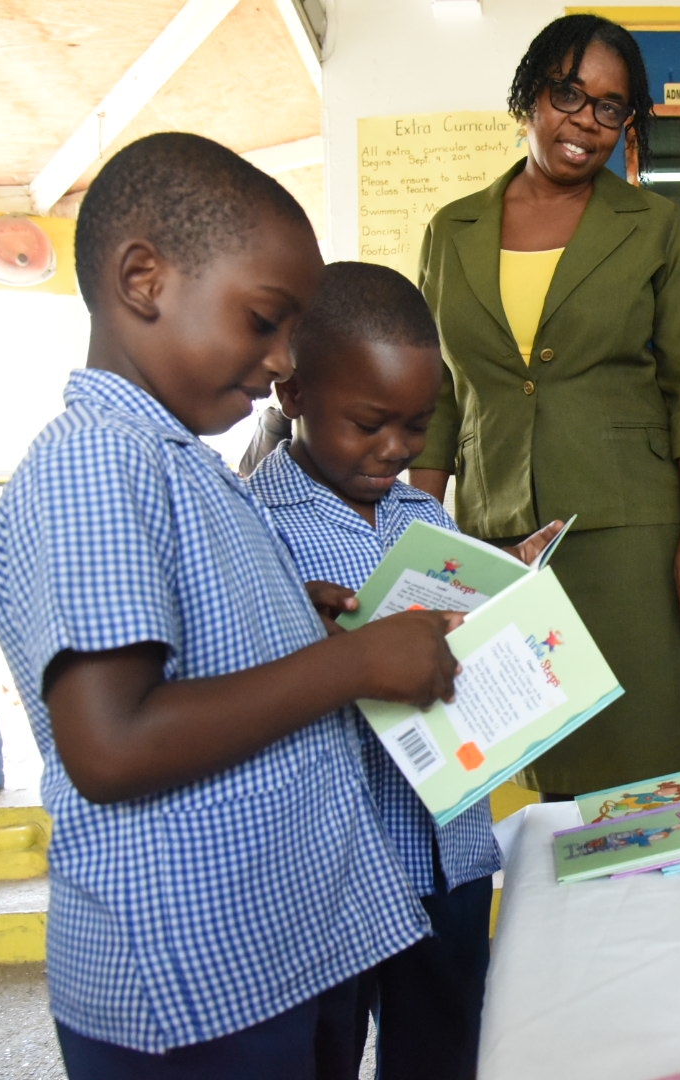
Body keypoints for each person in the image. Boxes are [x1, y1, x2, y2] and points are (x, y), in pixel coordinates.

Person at [0, 133, 465, 1079]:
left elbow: (198, 658)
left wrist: (298, 621)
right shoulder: (96, 460)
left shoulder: (180, 464)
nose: (283, 360)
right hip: (186, 991)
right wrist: (350, 663)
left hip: (256, 961)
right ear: (144, 279)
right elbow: (111, 743)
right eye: (265, 321)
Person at [409, 14, 680, 797]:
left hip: (630, 539)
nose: (586, 123)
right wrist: (423, 551)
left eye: (610, 108)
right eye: (569, 95)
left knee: (650, 768)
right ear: (530, 96)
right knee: (530, 768)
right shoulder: (451, 231)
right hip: (496, 543)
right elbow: (436, 401)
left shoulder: (652, 226)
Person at [246, 262, 561, 1079]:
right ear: (295, 397)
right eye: (369, 423)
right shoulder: (253, 525)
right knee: (325, 1050)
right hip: (334, 868)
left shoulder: (427, 517)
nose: (395, 449)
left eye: (417, 426)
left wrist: (504, 597)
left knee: (445, 1047)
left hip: (449, 855)